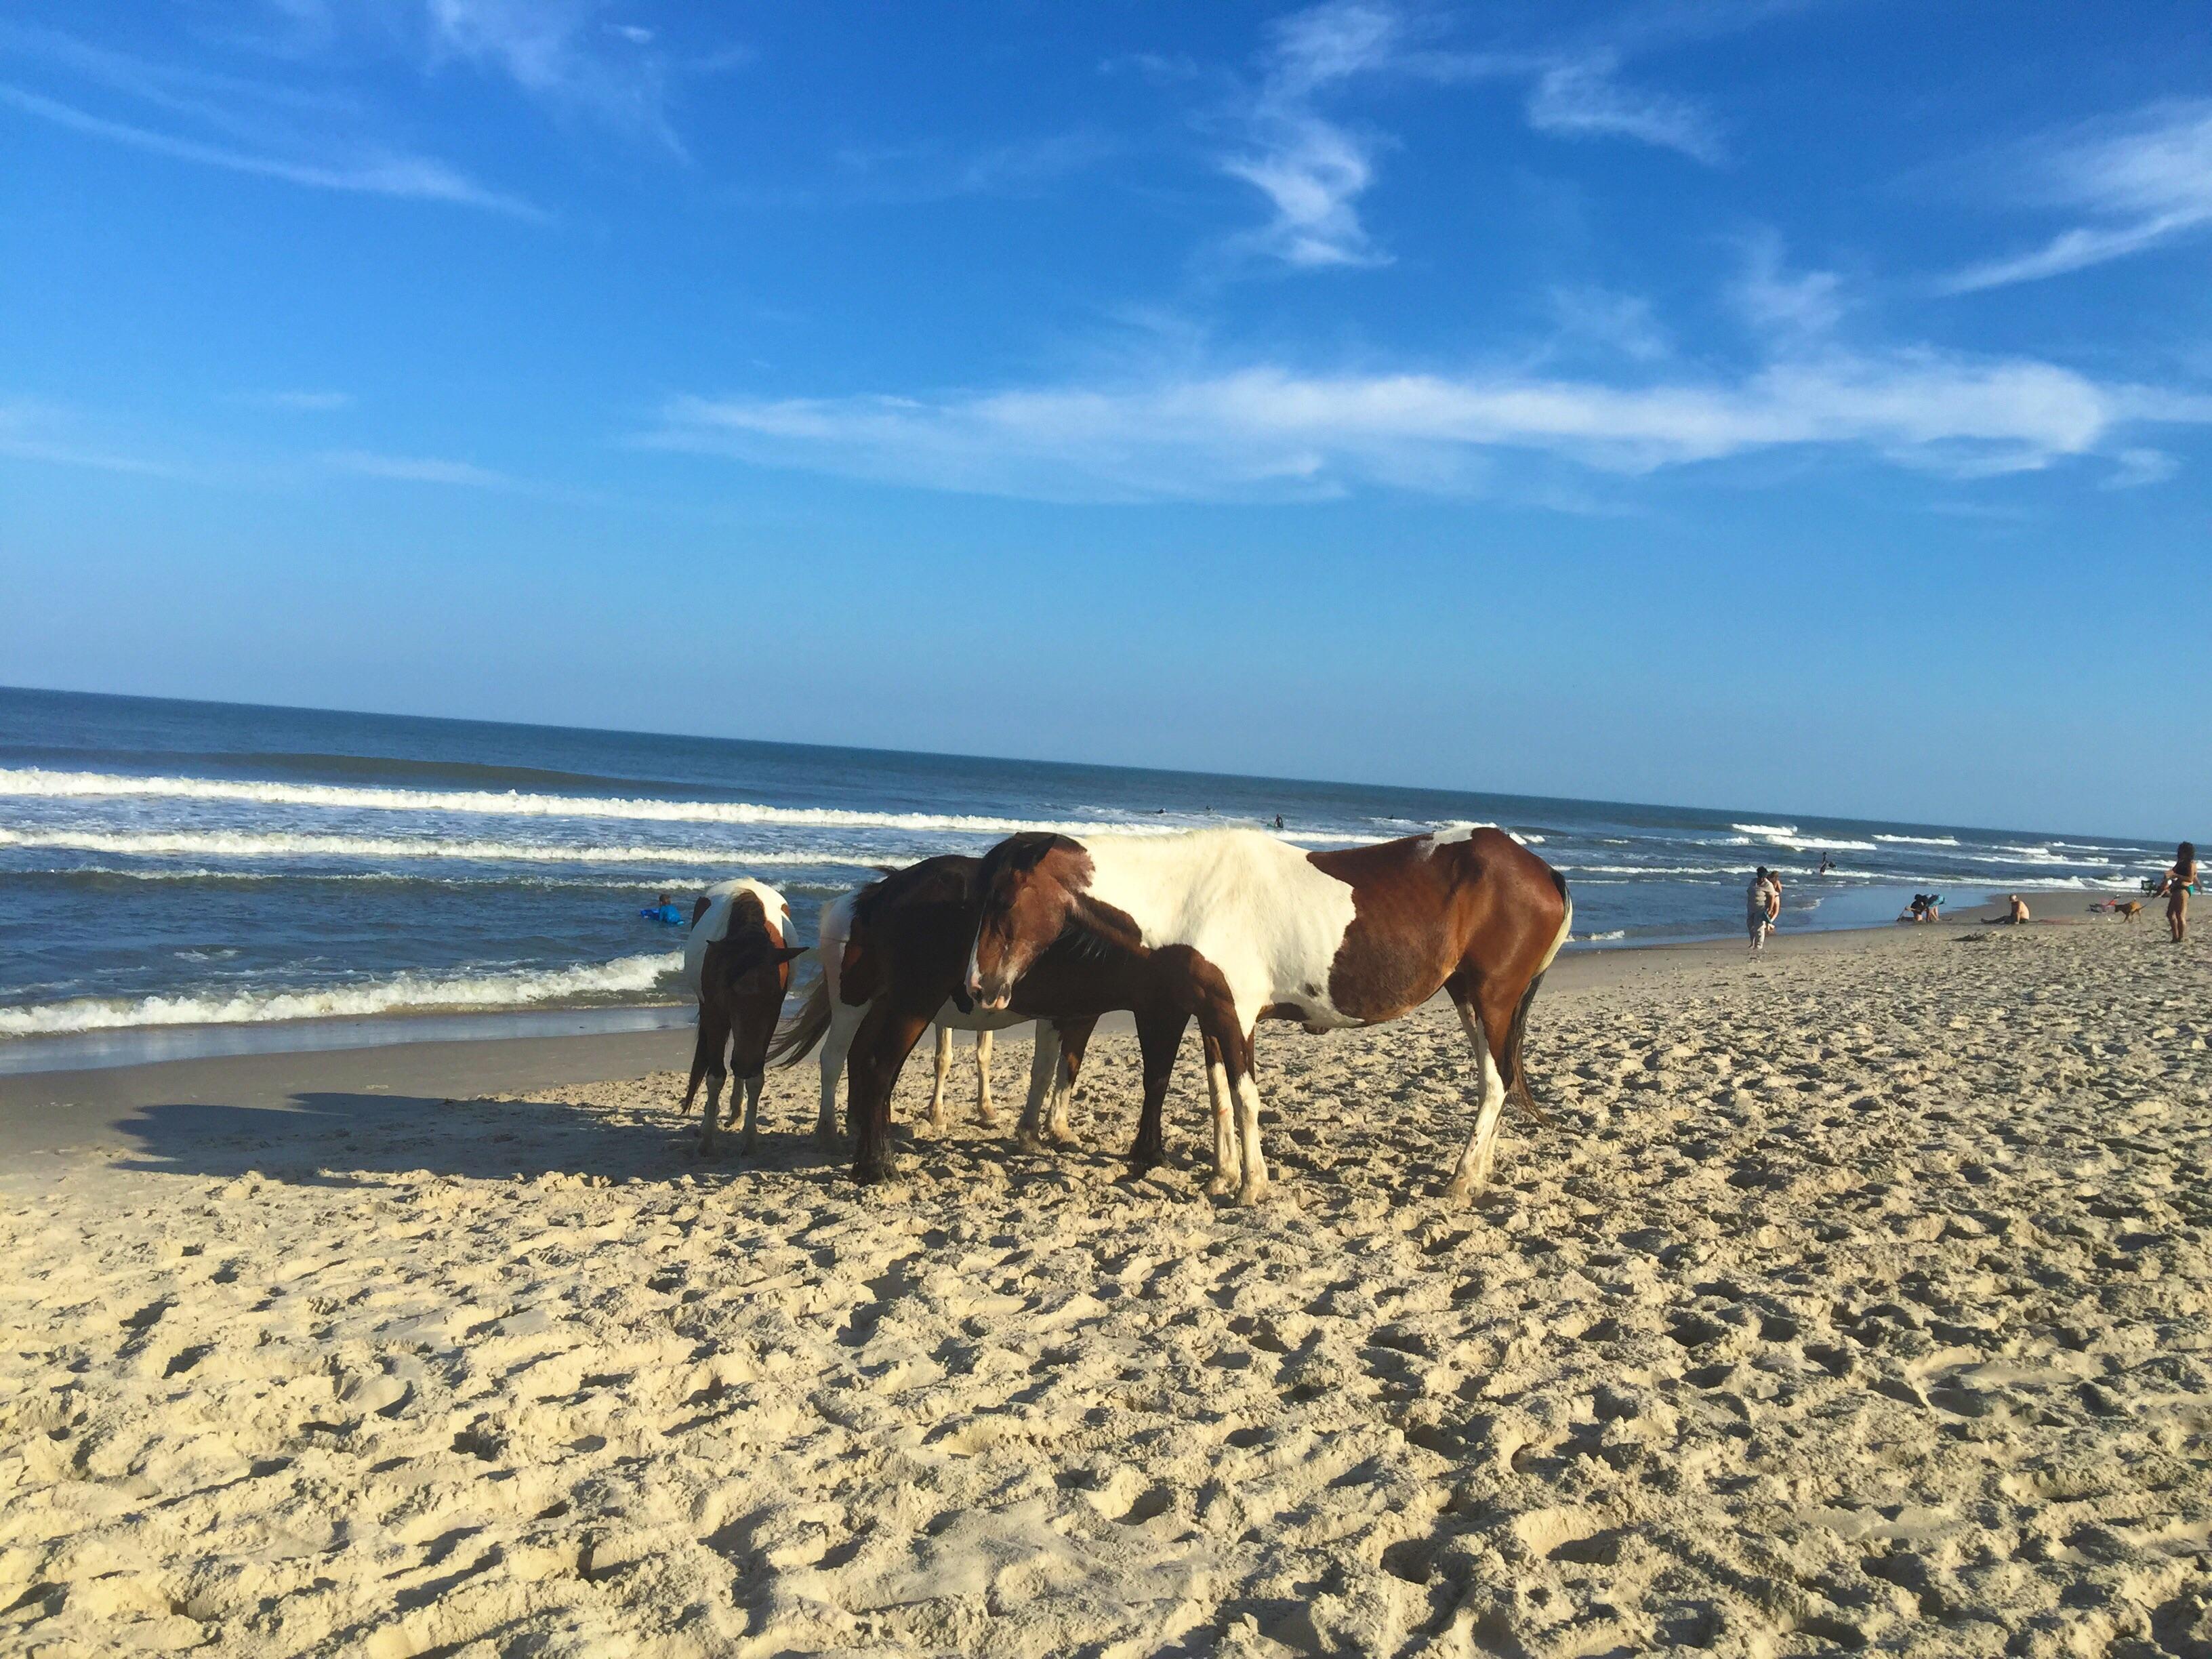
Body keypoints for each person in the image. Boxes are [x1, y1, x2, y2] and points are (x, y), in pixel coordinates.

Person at [2163, 842, 2198, 943]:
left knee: (2180, 915)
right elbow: (2173, 872)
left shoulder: (2191, 864)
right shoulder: (2180, 862)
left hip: (2183, 889)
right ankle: (2175, 936)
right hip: (2176, 888)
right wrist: (2168, 876)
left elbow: (2190, 878)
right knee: (2170, 914)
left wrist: (2176, 876)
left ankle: (2181, 937)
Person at [1748, 866, 1774, 953]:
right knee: (1750, 925)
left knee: (1759, 927)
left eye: (1764, 877)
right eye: (1760, 877)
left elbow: (1772, 897)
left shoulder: (1768, 885)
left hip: (1761, 907)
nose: (1762, 879)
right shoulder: (1753, 882)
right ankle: (1752, 943)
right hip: (1751, 907)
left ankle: (1759, 945)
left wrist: (1770, 909)